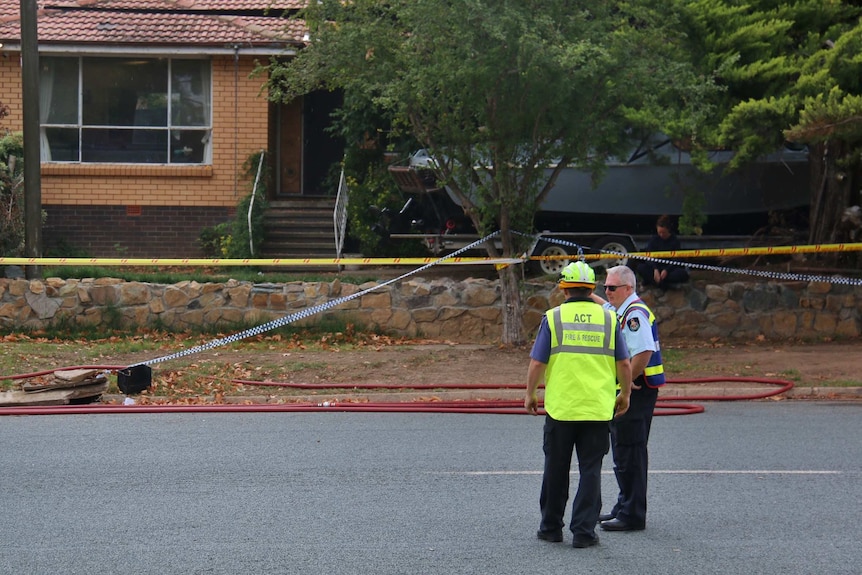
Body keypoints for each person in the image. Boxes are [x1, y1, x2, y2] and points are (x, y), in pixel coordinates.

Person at [525, 260, 633, 549]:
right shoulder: (609, 319)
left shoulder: (553, 318)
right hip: (597, 408)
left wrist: (531, 394)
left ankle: (550, 528)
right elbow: (623, 362)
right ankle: (584, 533)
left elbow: (537, 362)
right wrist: (625, 395)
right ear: (592, 289)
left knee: (556, 468)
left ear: (564, 289)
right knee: (591, 470)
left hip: (561, 408)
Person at [591, 264, 665, 532]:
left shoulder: (634, 314)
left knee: (630, 452)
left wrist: (625, 386)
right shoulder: (622, 308)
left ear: (628, 288)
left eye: (612, 287)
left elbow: (643, 352)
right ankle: (624, 506)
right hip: (635, 389)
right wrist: (584, 291)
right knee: (623, 451)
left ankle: (632, 514)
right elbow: (604, 307)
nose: (607, 291)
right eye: (605, 287)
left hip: (638, 391)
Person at [636, 215, 690, 288]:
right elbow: (649, 256)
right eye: (659, 232)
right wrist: (655, 269)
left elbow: (677, 259)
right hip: (656, 268)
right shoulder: (654, 240)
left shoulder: (675, 241)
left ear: (668, 230)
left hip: (669, 269)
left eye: (663, 232)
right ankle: (665, 285)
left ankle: (655, 282)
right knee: (640, 267)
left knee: (682, 274)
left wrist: (666, 270)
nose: (661, 235)